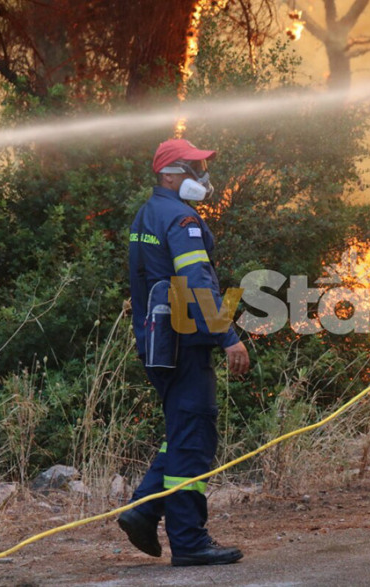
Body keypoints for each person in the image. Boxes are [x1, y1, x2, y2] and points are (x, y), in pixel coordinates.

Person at [119, 138, 250, 567]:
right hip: (185, 344)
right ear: (170, 175)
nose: (204, 177)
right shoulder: (181, 218)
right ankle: (190, 542)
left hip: (160, 343)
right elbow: (195, 281)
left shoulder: (148, 213)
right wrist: (227, 336)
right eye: (195, 168)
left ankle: (142, 509)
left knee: (182, 431)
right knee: (193, 439)